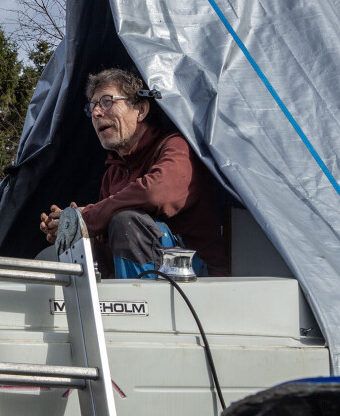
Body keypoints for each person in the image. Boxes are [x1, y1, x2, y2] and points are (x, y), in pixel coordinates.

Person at [40, 69, 229, 277]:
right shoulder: (113, 174)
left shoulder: (176, 147)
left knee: (127, 222)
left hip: (197, 278)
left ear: (140, 110)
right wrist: (70, 228)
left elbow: (156, 193)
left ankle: (145, 305)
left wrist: (88, 216)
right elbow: (105, 236)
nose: (96, 113)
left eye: (106, 102)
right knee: (54, 258)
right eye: (92, 107)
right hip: (140, 275)